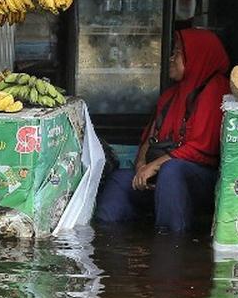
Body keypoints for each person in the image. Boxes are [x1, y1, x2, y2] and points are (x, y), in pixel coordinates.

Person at [94, 29, 230, 233]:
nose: (171, 58)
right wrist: (141, 164)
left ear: (197, 57)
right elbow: (150, 138)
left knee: (172, 171)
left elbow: (200, 148)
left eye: (177, 53)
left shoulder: (216, 90)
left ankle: (170, 242)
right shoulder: (170, 95)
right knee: (120, 180)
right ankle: (106, 236)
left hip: (198, 179)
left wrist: (154, 166)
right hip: (161, 174)